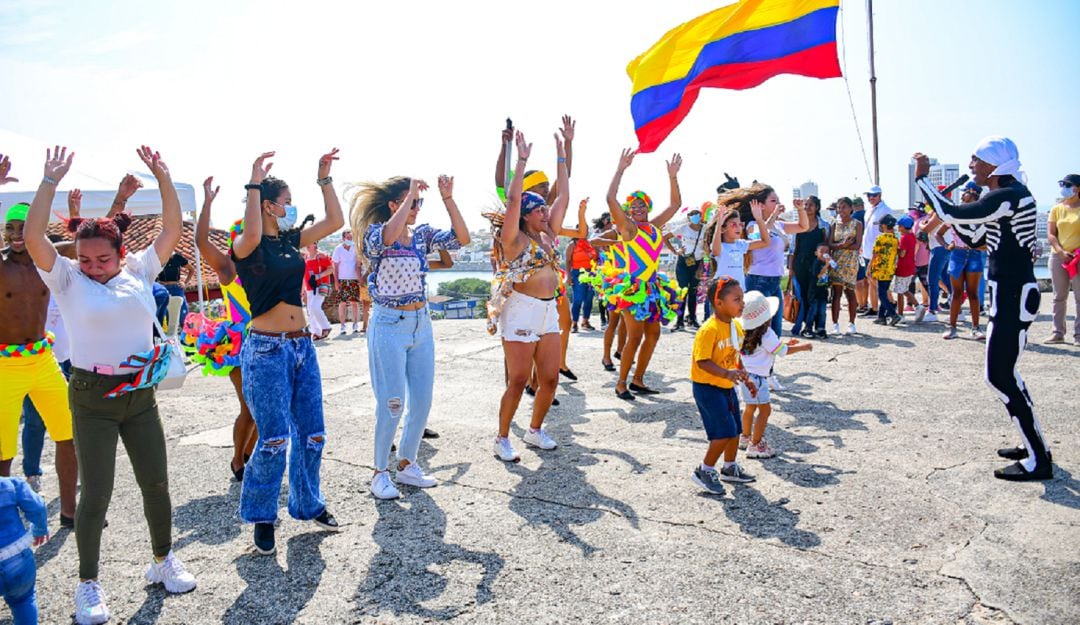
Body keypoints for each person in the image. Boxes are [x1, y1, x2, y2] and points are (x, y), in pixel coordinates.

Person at [24, 145, 197, 624]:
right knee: (95, 492)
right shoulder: (65, 279)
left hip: (140, 396)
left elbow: (171, 229)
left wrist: (163, 175)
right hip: (91, 397)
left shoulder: (141, 270)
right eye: (85, 259)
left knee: (156, 483)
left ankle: (163, 560)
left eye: (102, 259)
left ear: (121, 253)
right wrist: (48, 181)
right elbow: (36, 235)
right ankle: (88, 585)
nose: (92, 266)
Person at [914, 137, 1051, 481]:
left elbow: (952, 214)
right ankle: (1033, 445)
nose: (971, 165)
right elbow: (977, 238)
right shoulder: (1008, 196)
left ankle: (1038, 459)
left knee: (999, 376)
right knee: (1008, 375)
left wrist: (922, 180)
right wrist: (954, 215)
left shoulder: (1008, 196)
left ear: (993, 164)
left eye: (976, 159)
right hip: (1007, 294)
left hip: (1012, 295)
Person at [230, 149, 345, 554]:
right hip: (265, 351)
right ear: (267, 206)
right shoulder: (248, 246)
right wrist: (253, 182)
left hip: (302, 348)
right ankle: (263, 516)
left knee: (313, 433)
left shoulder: (292, 242)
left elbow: (335, 222)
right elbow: (252, 233)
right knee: (275, 437)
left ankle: (307, 504)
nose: (291, 207)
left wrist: (324, 178)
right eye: (286, 201)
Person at [352, 173, 469, 498]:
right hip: (389, 324)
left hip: (421, 324)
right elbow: (389, 236)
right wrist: (410, 196)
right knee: (392, 403)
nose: (416, 207)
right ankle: (379, 472)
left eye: (418, 202)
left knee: (422, 400)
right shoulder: (375, 235)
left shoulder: (421, 236)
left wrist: (448, 199)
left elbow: (461, 239)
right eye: (410, 202)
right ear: (394, 204)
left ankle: (407, 465)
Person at [486, 130, 570, 461]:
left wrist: (562, 154)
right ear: (526, 215)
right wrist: (520, 160)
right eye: (539, 211)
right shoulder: (514, 240)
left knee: (549, 379)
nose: (546, 214)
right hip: (521, 310)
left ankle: (535, 430)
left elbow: (562, 194)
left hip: (548, 311)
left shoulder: (548, 234)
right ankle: (502, 437)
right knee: (519, 379)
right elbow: (513, 200)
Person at [0, 198, 78, 529]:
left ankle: (70, 512)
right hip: (5, 366)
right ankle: (5, 518)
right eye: (10, 228)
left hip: (43, 360)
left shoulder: (47, 260)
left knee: (67, 434)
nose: (17, 234)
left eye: (24, 228)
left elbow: (83, 242)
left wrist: (119, 200)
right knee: (3, 451)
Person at [606, 148, 685, 400]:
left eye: (642, 204)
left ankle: (638, 379)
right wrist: (620, 170)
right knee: (635, 335)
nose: (638, 208)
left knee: (653, 334)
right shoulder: (628, 228)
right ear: (629, 211)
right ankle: (621, 383)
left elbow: (675, 204)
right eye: (634, 206)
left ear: (647, 207)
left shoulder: (654, 227)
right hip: (632, 288)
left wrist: (672, 176)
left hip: (652, 288)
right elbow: (610, 199)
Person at [192, 178, 257, 484]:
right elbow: (202, 242)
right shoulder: (229, 268)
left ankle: (250, 457)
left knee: (265, 411)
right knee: (250, 408)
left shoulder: (264, 266)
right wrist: (207, 203)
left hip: (269, 340)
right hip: (241, 345)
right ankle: (237, 461)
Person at [690, 276, 755, 495]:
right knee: (722, 432)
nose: (742, 304)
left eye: (742, 298)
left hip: (726, 385)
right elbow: (702, 360)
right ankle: (704, 470)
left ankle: (729, 467)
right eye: (736, 299)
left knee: (735, 429)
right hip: (707, 387)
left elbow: (735, 355)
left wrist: (743, 373)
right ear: (719, 303)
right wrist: (727, 373)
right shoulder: (709, 329)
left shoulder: (736, 326)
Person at [738, 291, 813, 459]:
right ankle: (756, 444)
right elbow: (782, 352)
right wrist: (802, 346)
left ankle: (744, 436)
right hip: (758, 379)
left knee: (749, 408)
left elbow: (767, 348)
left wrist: (784, 343)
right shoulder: (766, 334)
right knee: (765, 411)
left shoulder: (744, 332)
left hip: (745, 377)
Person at [739, 187, 809, 338]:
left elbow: (803, 227)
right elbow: (762, 235)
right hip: (758, 280)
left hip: (775, 281)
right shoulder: (752, 224)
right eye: (773, 201)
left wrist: (801, 210)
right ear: (760, 205)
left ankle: (769, 362)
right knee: (758, 331)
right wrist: (774, 215)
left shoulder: (779, 225)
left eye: (778, 200)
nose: (778, 204)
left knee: (775, 332)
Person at [0, 475, 48, 625]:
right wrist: (40, 528)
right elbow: (38, 507)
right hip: (17, 558)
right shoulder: (10, 485)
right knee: (23, 601)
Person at [941, 187, 986, 341]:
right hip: (958, 253)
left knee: (973, 293)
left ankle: (975, 327)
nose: (964, 196)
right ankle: (952, 327)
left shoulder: (981, 216)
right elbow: (938, 233)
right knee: (956, 293)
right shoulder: (955, 215)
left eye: (967, 193)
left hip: (974, 254)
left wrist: (983, 246)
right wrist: (948, 246)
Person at [1046, 173, 1080, 344]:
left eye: (1069, 185)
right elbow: (1051, 234)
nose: (1065, 188)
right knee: (1059, 296)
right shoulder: (1056, 208)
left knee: (1079, 296)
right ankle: (1058, 332)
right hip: (1059, 256)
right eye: (1063, 184)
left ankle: (1079, 335)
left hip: (1078, 256)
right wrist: (1060, 252)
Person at [788, 196, 828, 338]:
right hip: (800, 264)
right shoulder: (797, 225)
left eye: (811, 205)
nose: (807, 207)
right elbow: (793, 248)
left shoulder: (824, 225)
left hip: (818, 266)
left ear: (817, 207)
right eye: (806, 204)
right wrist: (791, 268)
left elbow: (827, 246)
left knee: (817, 296)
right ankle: (805, 325)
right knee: (803, 296)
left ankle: (818, 326)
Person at [664, 205, 708, 330]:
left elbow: (706, 248)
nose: (695, 217)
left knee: (693, 291)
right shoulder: (683, 228)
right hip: (684, 261)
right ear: (688, 217)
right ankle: (679, 320)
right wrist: (675, 251)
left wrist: (702, 265)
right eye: (692, 214)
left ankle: (692, 319)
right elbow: (665, 237)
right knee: (682, 291)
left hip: (697, 262)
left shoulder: (705, 229)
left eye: (697, 214)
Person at [709, 202, 771, 289]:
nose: (738, 228)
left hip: (739, 289)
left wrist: (759, 219)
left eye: (740, 224)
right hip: (722, 291)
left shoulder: (741, 244)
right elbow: (716, 251)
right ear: (723, 229)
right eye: (734, 224)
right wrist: (719, 224)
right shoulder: (719, 245)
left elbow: (766, 242)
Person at [828, 197, 863, 335]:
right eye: (838, 207)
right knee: (836, 293)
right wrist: (842, 245)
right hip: (836, 261)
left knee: (850, 292)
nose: (840, 210)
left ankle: (851, 323)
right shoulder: (834, 224)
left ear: (850, 208)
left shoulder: (857, 224)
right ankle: (835, 324)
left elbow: (857, 245)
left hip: (850, 262)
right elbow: (830, 243)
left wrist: (847, 246)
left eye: (843, 207)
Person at [857, 186, 892, 317]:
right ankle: (875, 307)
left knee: (877, 280)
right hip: (867, 250)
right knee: (870, 279)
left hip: (879, 251)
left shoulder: (885, 211)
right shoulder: (868, 211)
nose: (871, 198)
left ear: (880, 195)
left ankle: (890, 302)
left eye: (874, 195)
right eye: (869, 196)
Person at [869, 215, 899, 325]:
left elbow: (875, 254)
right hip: (890, 270)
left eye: (881, 225)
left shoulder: (880, 238)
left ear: (885, 226)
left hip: (880, 270)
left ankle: (893, 314)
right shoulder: (895, 239)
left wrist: (869, 268)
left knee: (881, 295)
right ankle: (881, 317)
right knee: (884, 292)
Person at [567, 230, 598, 333]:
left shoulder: (590, 244)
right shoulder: (572, 245)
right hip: (577, 274)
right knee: (578, 299)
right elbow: (567, 261)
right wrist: (569, 276)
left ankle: (585, 321)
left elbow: (596, 257)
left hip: (590, 274)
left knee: (589, 298)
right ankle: (574, 323)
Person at [332, 230, 361, 335]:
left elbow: (358, 264)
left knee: (354, 303)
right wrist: (336, 282)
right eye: (348, 237)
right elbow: (334, 266)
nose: (350, 239)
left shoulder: (355, 248)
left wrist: (360, 279)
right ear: (343, 238)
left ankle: (355, 324)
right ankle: (343, 326)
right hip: (342, 280)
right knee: (342, 303)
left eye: (351, 237)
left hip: (353, 279)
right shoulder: (338, 249)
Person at [155, 251, 193, 331]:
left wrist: (185, 283)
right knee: (166, 315)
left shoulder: (177, 257)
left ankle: (188, 336)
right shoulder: (158, 258)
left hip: (177, 288)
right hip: (164, 289)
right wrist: (158, 282)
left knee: (184, 314)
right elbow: (151, 273)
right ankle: (168, 338)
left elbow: (191, 269)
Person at [304, 242, 334, 340]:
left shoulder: (321, 256)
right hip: (309, 287)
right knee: (310, 310)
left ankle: (326, 326)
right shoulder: (306, 257)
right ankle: (316, 332)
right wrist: (303, 289)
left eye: (310, 242)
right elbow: (304, 275)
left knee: (314, 307)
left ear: (315, 243)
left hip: (320, 286)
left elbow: (331, 269)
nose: (308, 245)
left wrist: (318, 276)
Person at [892, 215, 919, 322]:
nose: (898, 229)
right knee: (905, 289)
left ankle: (900, 314)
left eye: (899, 226)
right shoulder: (912, 236)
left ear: (903, 227)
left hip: (902, 267)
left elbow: (902, 254)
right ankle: (918, 306)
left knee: (899, 291)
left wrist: (895, 249)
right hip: (910, 266)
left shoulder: (904, 238)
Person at [805, 243, 835, 338]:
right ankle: (808, 328)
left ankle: (820, 328)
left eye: (826, 252)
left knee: (822, 311)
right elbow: (818, 275)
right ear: (816, 253)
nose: (824, 254)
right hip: (814, 292)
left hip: (823, 291)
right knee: (812, 310)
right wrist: (826, 265)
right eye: (821, 251)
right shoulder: (816, 263)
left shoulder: (827, 263)